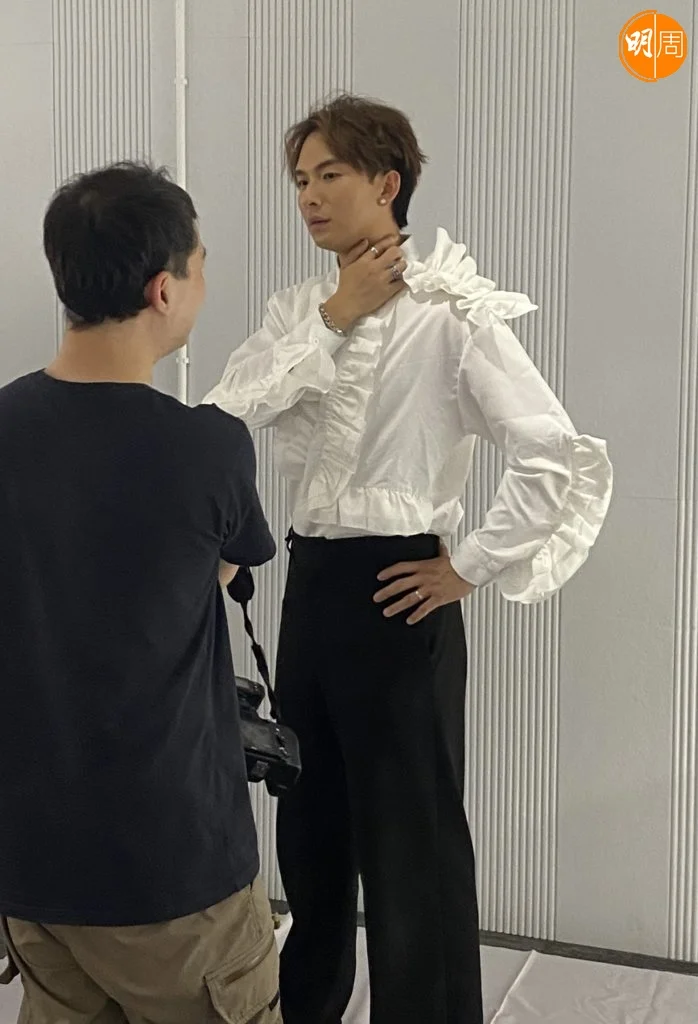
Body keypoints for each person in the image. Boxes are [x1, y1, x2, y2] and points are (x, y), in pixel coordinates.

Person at [204, 94, 613, 1024]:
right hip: (311, 588)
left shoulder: (451, 315)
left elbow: (552, 452)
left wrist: (469, 566)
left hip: (403, 593)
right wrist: (333, 317)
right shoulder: (296, 310)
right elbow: (225, 417)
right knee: (310, 830)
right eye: (300, 180)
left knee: (412, 846)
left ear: (387, 184)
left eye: (330, 175)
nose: (309, 197)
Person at [0, 163, 282, 1024]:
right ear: (164, 289)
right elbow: (224, 569)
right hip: (174, 870)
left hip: (31, 867)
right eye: (200, 267)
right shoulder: (208, 448)